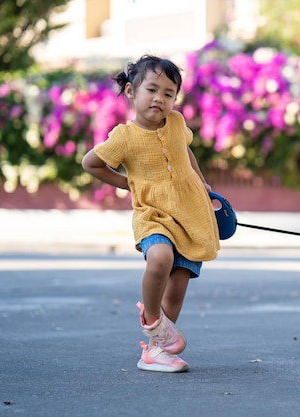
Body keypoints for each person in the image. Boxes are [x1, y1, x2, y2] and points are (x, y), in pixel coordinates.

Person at [82, 55, 220, 373]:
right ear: (131, 92)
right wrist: (128, 184)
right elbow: (91, 163)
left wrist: (203, 184)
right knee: (160, 258)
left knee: (177, 285)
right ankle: (152, 319)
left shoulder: (176, 123)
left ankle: (156, 352)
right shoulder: (124, 137)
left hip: (191, 213)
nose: (160, 98)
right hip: (153, 214)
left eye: (169, 93)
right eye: (152, 89)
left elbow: (185, 150)